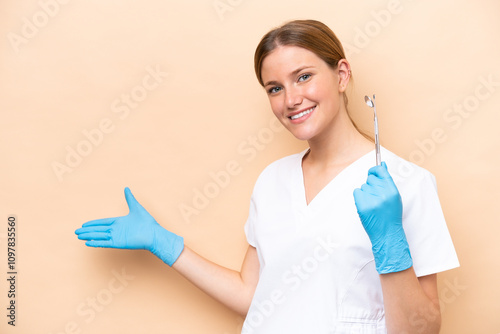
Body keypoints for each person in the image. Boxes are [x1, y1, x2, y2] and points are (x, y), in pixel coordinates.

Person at [75, 19, 459, 333]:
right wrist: (165, 244)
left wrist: (390, 242)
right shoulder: (273, 180)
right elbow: (252, 295)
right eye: (275, 88)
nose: (290, 99)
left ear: (341, 75)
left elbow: (422, 330)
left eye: (304, 77)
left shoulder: (407, 184)